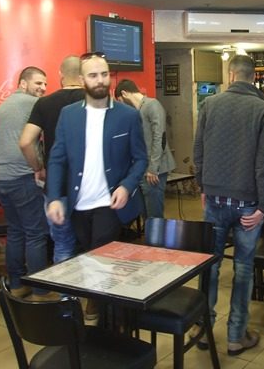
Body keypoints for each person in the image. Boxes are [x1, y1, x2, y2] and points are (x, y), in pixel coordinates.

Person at [193, 54, 264, 357]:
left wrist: (202, 186)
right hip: (248, 205)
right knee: (243, 269)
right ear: (254, 77)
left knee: (210, 266)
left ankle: (202, 329)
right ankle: (236, 336)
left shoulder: (209, 105)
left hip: (214, 199)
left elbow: (199, 149)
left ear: (231, 75)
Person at [46, 53, 147, 255]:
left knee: (99, 259)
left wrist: (126, 186)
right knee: (85, 258)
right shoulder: (69, 114)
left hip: (109, 204)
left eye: (104, 74)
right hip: (78, 204)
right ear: (82, 80)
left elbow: (141, 158)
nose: (100, 80)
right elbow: (57, 160)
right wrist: (54, 197)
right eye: (93, 75)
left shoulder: (128, 115)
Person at [0, 66, 51, 300]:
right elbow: (27, 143)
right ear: (23, 83)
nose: (43, 88)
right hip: (20, 176)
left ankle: (16, 284)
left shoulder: (4, 105)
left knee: (15, 231)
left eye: (45, 84)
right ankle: (40, 290)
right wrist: (38, 167)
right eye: (38, 83)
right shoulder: (33, 104)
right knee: (35, 234)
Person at [19, 56, 84, 263]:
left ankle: (64, 286)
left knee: (63, 244)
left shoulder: (44, 103)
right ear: (83, 76)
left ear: (60, 75)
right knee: (93, 247)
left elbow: (26, 142)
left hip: (57, 185)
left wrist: (38, 167)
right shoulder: (95, 102)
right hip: (89, 186)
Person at [115, 79, 176, 219]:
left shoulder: (152, 105)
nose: (121, 105)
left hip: (155, 170)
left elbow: (160, 137)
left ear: (124, 93)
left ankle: (156, 234)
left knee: (154, 214)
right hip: (143, 169)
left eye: (120, 101)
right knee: (145, 213)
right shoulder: (136, 111)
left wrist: (153, 168)